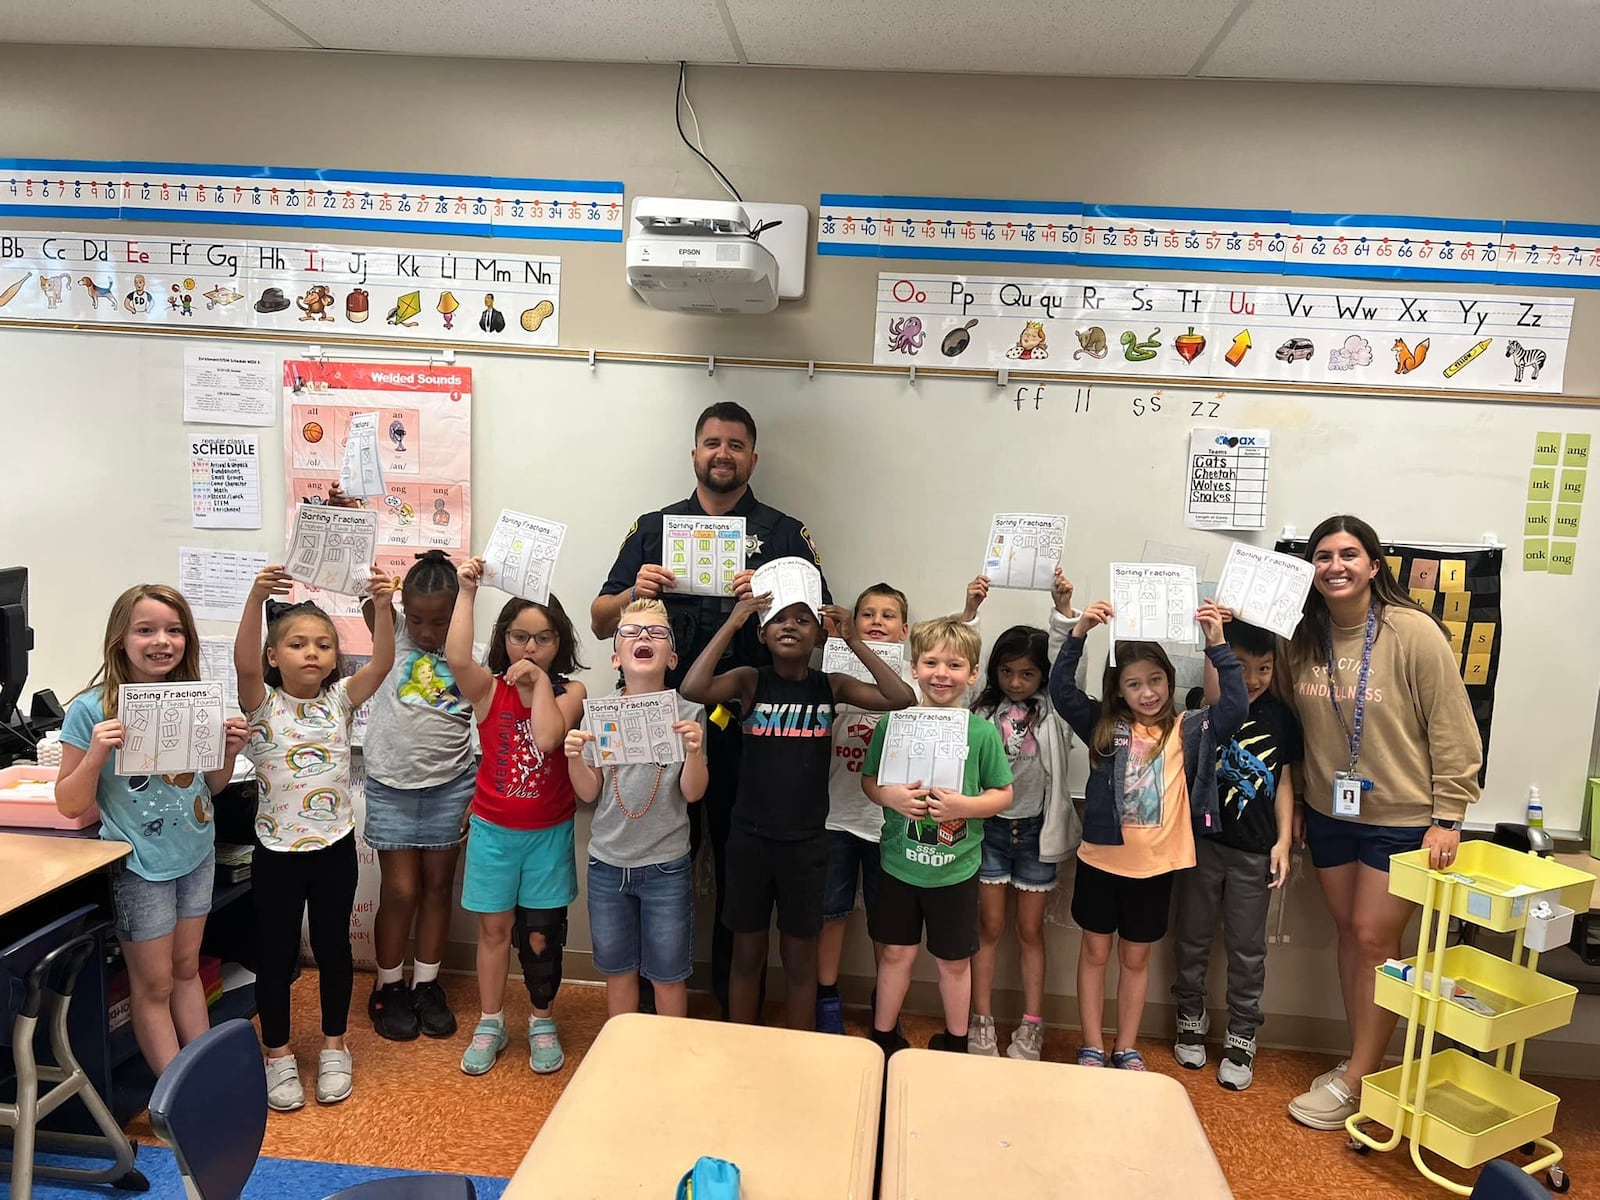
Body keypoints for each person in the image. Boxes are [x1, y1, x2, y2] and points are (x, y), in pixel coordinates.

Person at [592, 401, 828, 1016]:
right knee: (657, 857)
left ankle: (729, 1003)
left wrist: (769, 596)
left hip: (747, 732)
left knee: (735, 871)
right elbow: (596, 622)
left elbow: (821, 627)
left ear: (754, 457)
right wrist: (630, 593)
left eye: (736, 444)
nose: (722, 453)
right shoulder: (654, 526)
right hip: (656, 723)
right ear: (694, 452)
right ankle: (642, 1001)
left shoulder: (783, 533)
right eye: (711, 443)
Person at [1280, 515, 1480, 1130]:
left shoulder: (1413, 633)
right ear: (1310, 570)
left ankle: (1360, 1079)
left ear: (1373, 565)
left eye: (1348, 554)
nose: (1335, 566)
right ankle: (1358, 1062)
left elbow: (1453, 727)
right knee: (1350, 934)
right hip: (1330, 812)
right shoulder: (1300, 638)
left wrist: (1450, 814)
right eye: (1322, 556)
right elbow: (1287, 720)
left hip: (1404, 816)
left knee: (1373, 938)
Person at [682, 591, 914, 1028]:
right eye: (778, 619)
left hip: (807, 845)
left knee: (799, 957)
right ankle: (742, 1041)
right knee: (747, 955)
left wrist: (851, 641)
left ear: (818, 635)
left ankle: (802, 1050)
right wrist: (733, 622)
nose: (790, 626)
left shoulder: (831, 686)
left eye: (803, 620)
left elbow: (899, 695)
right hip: (750, 842)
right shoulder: (750, 680)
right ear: (763, 633)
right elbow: (693, 688)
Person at [55, 585, 249, 1076]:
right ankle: (174, 1097)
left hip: (196, 850)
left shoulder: (192, 699)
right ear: (120, 638)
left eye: (174, 630)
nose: (161, 641)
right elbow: (69, 802)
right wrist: (98, 751)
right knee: (154, 985)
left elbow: (213, 787)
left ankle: (204, 1075)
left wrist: (226, 753)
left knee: (187, 970)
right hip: (141, 865)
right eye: (145, 630)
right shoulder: (91, 710)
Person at [1049, 597, 1245, 1070]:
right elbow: (1061, 691)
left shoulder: (1187, 730)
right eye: (1134, 684)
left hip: (1155, 869)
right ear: (1119, 691)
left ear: (1169, 681)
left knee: (1136, 961)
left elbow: (1234, 707)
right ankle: (1093, 1044)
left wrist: (1217, 642)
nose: (1148, 692)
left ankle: (1126, 1046)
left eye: (1155, 681)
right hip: (1101, 862)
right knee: (1095, 954)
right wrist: (1079, 634)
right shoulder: (1104, 724)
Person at [235, 566, 397, 1111]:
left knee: (333, 950)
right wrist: (257, 598)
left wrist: (381, 606)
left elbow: (383, 662)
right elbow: (241, 662)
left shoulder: (340, 701)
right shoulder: (261, 704)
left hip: (334, 849)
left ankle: (334, 1046)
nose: (312, 653)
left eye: (323, 645)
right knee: (276, 955)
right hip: (276, 852)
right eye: (298, 644)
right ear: (274, 656)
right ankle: (276, 1054)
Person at [447, 557, 587, 1078]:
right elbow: (457, 656)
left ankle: (541, 1019)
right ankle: (490, 1021)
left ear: (560, 643)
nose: (530, 648)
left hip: (548, 836)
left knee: (541, 935)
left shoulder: (571, 692)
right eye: (520, 636)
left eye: (543, 638)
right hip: (493, 834)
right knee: (493, 931)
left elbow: (549, 737)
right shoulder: (487, 690)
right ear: (504, 638)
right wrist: (467, 592)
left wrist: (541, 685)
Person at [863, 616, 1014, 1056]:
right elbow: (870, 783)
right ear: (914, 668)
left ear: (972, 673)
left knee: (954, 961)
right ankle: (884, 1036)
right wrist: (890, 798)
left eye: (954, 665)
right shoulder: (894, 724)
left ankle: (957, 1042)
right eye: (931, 662)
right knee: (895, 955)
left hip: (956, 871)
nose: (941, 674)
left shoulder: (982, 733)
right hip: (899, 864)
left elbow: (1003, 794)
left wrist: (962, 807)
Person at [1171, 618, 1301, 1091]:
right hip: (1202, 845)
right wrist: (1215, 632)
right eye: (1240, 667)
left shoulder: (1281, 716)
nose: (1251, 678)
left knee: (1248, 949)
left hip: (1254, 853)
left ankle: (1242, 1034)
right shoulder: (1201, 710)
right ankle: (1189, 1015)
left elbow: (1284, 779)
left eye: (1263, 668)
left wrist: (1283, 840)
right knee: (1192, 937)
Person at [564, 599, 707, 1019]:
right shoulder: (599, 714)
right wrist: (574, 756)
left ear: (673, 656)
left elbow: (693, 793)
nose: (643, 637)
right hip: (608, 864)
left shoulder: (690, 714)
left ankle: (670, 1058)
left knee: (668, 975)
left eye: (656, 633)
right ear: (615, 656)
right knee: (618, 971)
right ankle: (621, 1054)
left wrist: (695, 752)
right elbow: (589, 794)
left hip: (666, 865)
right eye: (630, 632)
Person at [355, 549, 476, 1042]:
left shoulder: (470, 652)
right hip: (391, 784)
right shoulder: (395, 634)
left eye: (441, 622)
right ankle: (389, 985)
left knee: (436, 888)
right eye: (419, 619)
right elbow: (365, 592)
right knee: (400, 890)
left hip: (451, 784)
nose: (428, 632)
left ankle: (427, 984)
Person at [967, 572, 1083, 1061]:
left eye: (1027, 674)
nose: (1016, 682)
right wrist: (969, 611)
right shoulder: (981, 709)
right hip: (988, 830)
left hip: (1036, 832)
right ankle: (981, 1021)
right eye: (1007, 672)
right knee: (988, 930)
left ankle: (1032, 1025)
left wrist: (1063, 609)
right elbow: (951, 666)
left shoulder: (1052, 710)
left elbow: (1064, 666)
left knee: (1031, 932)